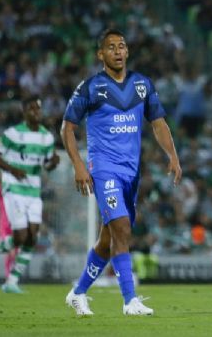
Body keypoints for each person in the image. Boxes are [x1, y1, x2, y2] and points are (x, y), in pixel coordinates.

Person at [61, 29, 182, 316]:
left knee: (108, 239)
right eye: (111, 47)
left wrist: (173, 156)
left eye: (122, 46)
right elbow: (67, 127)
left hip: (131, 172)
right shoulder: (90, 87)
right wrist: (79, 163)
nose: (117, 51)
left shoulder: (142, 85)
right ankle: (130, 300)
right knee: (122, 229)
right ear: (100, 54)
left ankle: (77, 293)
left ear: (127, 52)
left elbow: (158, 123)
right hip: (104, 169)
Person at [0, 96, 60, 293]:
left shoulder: (47, 138)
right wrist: (12, 170)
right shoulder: (13, 134)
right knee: (21, 236)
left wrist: (53, 163)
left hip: (33, 191)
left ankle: (12, 282)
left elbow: (46, 165)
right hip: (13, 188)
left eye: (38, 109)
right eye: (31, 108)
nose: (36, 112)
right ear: (24, 111)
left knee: (32, 238)